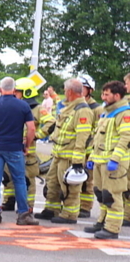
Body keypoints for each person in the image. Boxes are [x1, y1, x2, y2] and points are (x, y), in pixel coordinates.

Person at [0, 77, 39, 225]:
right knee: (19, 180)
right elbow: (31, 128)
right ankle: (23, 215)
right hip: (14, 148)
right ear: (14, 89)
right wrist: (27, 145)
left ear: (0, 89)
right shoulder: (23, 106)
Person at [36, 78, 95, 223]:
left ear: (69, 92)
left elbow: (82, 139)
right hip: (58, 154)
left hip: (69, 157)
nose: (64, 93)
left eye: (65, 91)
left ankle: (69, 214)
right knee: (52, 183)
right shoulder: (70, 107)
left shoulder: (82, 110)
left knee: (70, 187)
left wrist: (77, 161)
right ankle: (51, 210)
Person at [84, 80, 130, 239]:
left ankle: (112, 228)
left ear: (117, 96)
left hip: (114, 163)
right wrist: (91, 157)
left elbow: (126, 138)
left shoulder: (124, 113)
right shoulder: (106, 111)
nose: (103, 96)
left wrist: (115, 159)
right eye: (103, 93)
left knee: (112, 195)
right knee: (101, 193)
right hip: (100, 160)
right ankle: (102, 222)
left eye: (106, 94)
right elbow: (98, 138)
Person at [0, 77, 55, 211]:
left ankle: (28, 206)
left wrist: (36, 136)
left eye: (17, 92)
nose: (14, 94)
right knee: (8, 177)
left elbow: (51, 122)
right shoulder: (12, 105)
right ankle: (9, 201)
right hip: (11, 148)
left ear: (27, 93)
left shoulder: (37, 109)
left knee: (27, 180)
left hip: (27, 152)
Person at [76, 75, 101, 217]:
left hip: (88, 150)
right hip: (74, 149)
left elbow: (98, 131)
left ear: (90, 90)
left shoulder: (96, 109)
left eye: (82, 88)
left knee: (87, 181)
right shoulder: (74, 105)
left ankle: (85, 208)